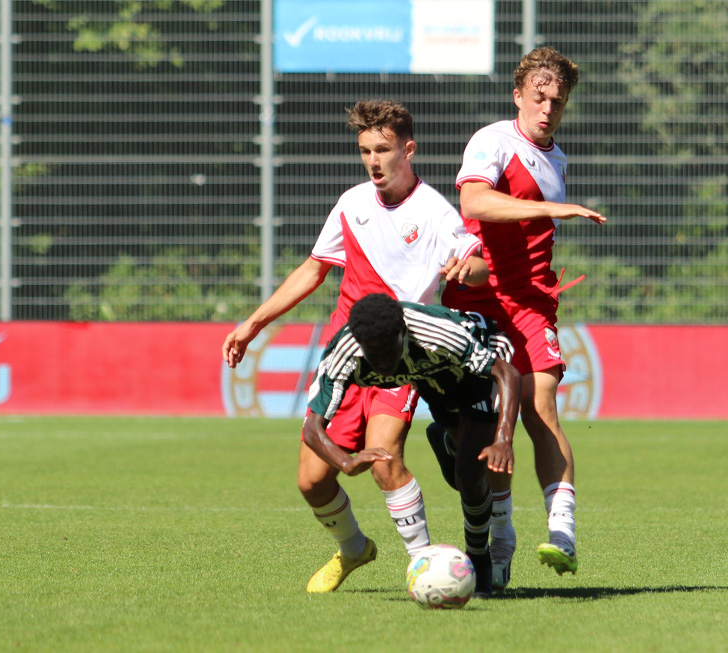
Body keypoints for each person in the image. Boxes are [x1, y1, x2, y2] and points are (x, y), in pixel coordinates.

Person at [222, 100, 488, 593]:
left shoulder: (432, 211)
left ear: (408, 149)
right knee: (312, 480)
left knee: (385, 454)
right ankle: (353, 549)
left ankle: (424, 566)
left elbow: (475, 264)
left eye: (383, 149)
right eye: (365, 150)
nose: (373, 160)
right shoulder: (352, 203)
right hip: (347, 356)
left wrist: (464, 271)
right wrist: (253, 322)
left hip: (400, 355)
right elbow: (313, 268)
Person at [432, 46, 607, 588]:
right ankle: (501, 543)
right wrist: (553, 209)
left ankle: (563, 534)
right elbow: (476, 206)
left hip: (531, 303)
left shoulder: (557, 158)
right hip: (478, 301)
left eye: (558, 100)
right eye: (539, 96)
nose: (548, 107)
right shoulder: (493, 141)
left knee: (540, 408)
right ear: (518, 96)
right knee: (481, 428)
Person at [303, 294, 521, 598]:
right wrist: (346, 462)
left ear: (402, 333)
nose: (382, 364)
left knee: (470, 476)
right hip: (430, 377)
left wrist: (503, 440)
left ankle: (478, 559)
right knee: (462, 469)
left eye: (388, 353)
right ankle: (450, 442)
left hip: (477, 365)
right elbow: (312, 428)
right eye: (373, 356)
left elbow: (508, 373)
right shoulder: (345, 351)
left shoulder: (436, 334)